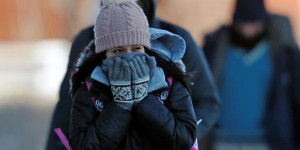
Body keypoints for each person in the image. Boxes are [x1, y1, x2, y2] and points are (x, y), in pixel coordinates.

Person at [45, 0, 221, 149]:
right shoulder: (86, 40)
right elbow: (67, 107)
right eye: (117, 50)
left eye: (136, 48)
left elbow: (207, 102)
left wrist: (180, 133)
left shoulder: (175, 40)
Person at [203, 0, 300, 149]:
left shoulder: (282, 53)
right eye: (243, 23)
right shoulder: (215, 49)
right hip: (222, 140)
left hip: (266, 141)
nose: (248, 30)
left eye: (254, 23)